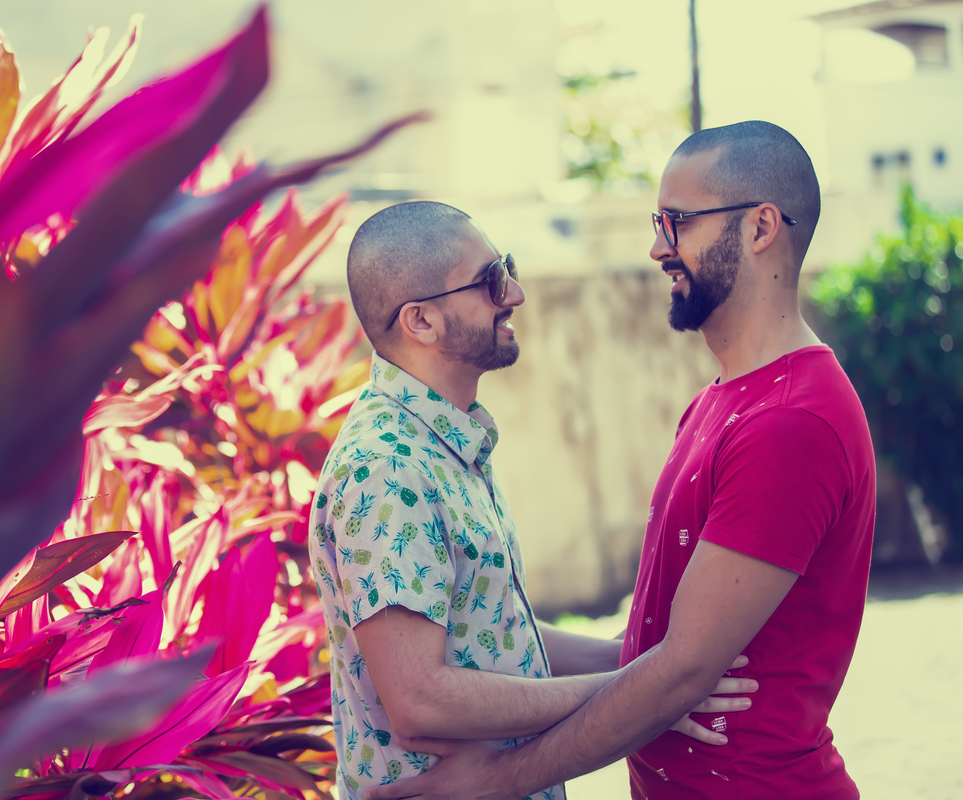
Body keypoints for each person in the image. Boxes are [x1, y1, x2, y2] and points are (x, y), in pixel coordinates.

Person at [368, 121, 877, 800]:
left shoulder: (790, 421)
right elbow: (655, 655)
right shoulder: (721, 402)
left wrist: (493, 782)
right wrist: (640, 673)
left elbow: (679, 673)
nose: (657, 247)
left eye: (678, 222)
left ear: (760, 229)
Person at [309, 201, 755, 800]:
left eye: (508, 269)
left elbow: (495, 637)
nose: (514, 293)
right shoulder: (387, 468)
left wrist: (651, 662)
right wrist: (648, 693)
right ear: (421, 322)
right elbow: (421, 700)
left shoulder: (438, 443)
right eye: (492, 279)